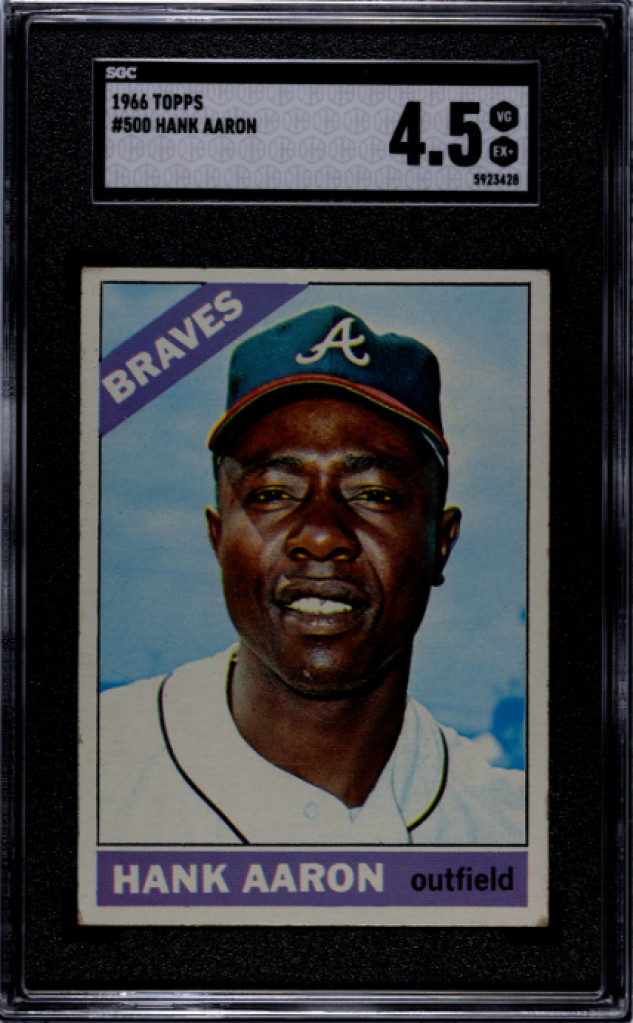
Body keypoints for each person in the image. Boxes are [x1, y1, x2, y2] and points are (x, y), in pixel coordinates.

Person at [100, 305, 525, 845]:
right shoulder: (88, 772)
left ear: (440, 543)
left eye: (374, 494)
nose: (321, 534)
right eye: (272, 494)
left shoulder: (518, 830)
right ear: (218, 538)